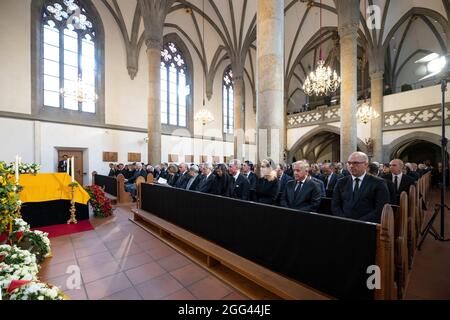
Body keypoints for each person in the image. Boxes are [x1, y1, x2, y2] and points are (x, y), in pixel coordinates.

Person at [332, 152, 390, 223]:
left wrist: (358, 223)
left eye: (355, 163)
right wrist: (344, 220)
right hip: (344, 224)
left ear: (366, 165)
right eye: (349, 163)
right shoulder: (341, 182)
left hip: (366, 226)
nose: (351, 166)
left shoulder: (378, 183)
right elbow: (335, 205)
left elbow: (380, 209)